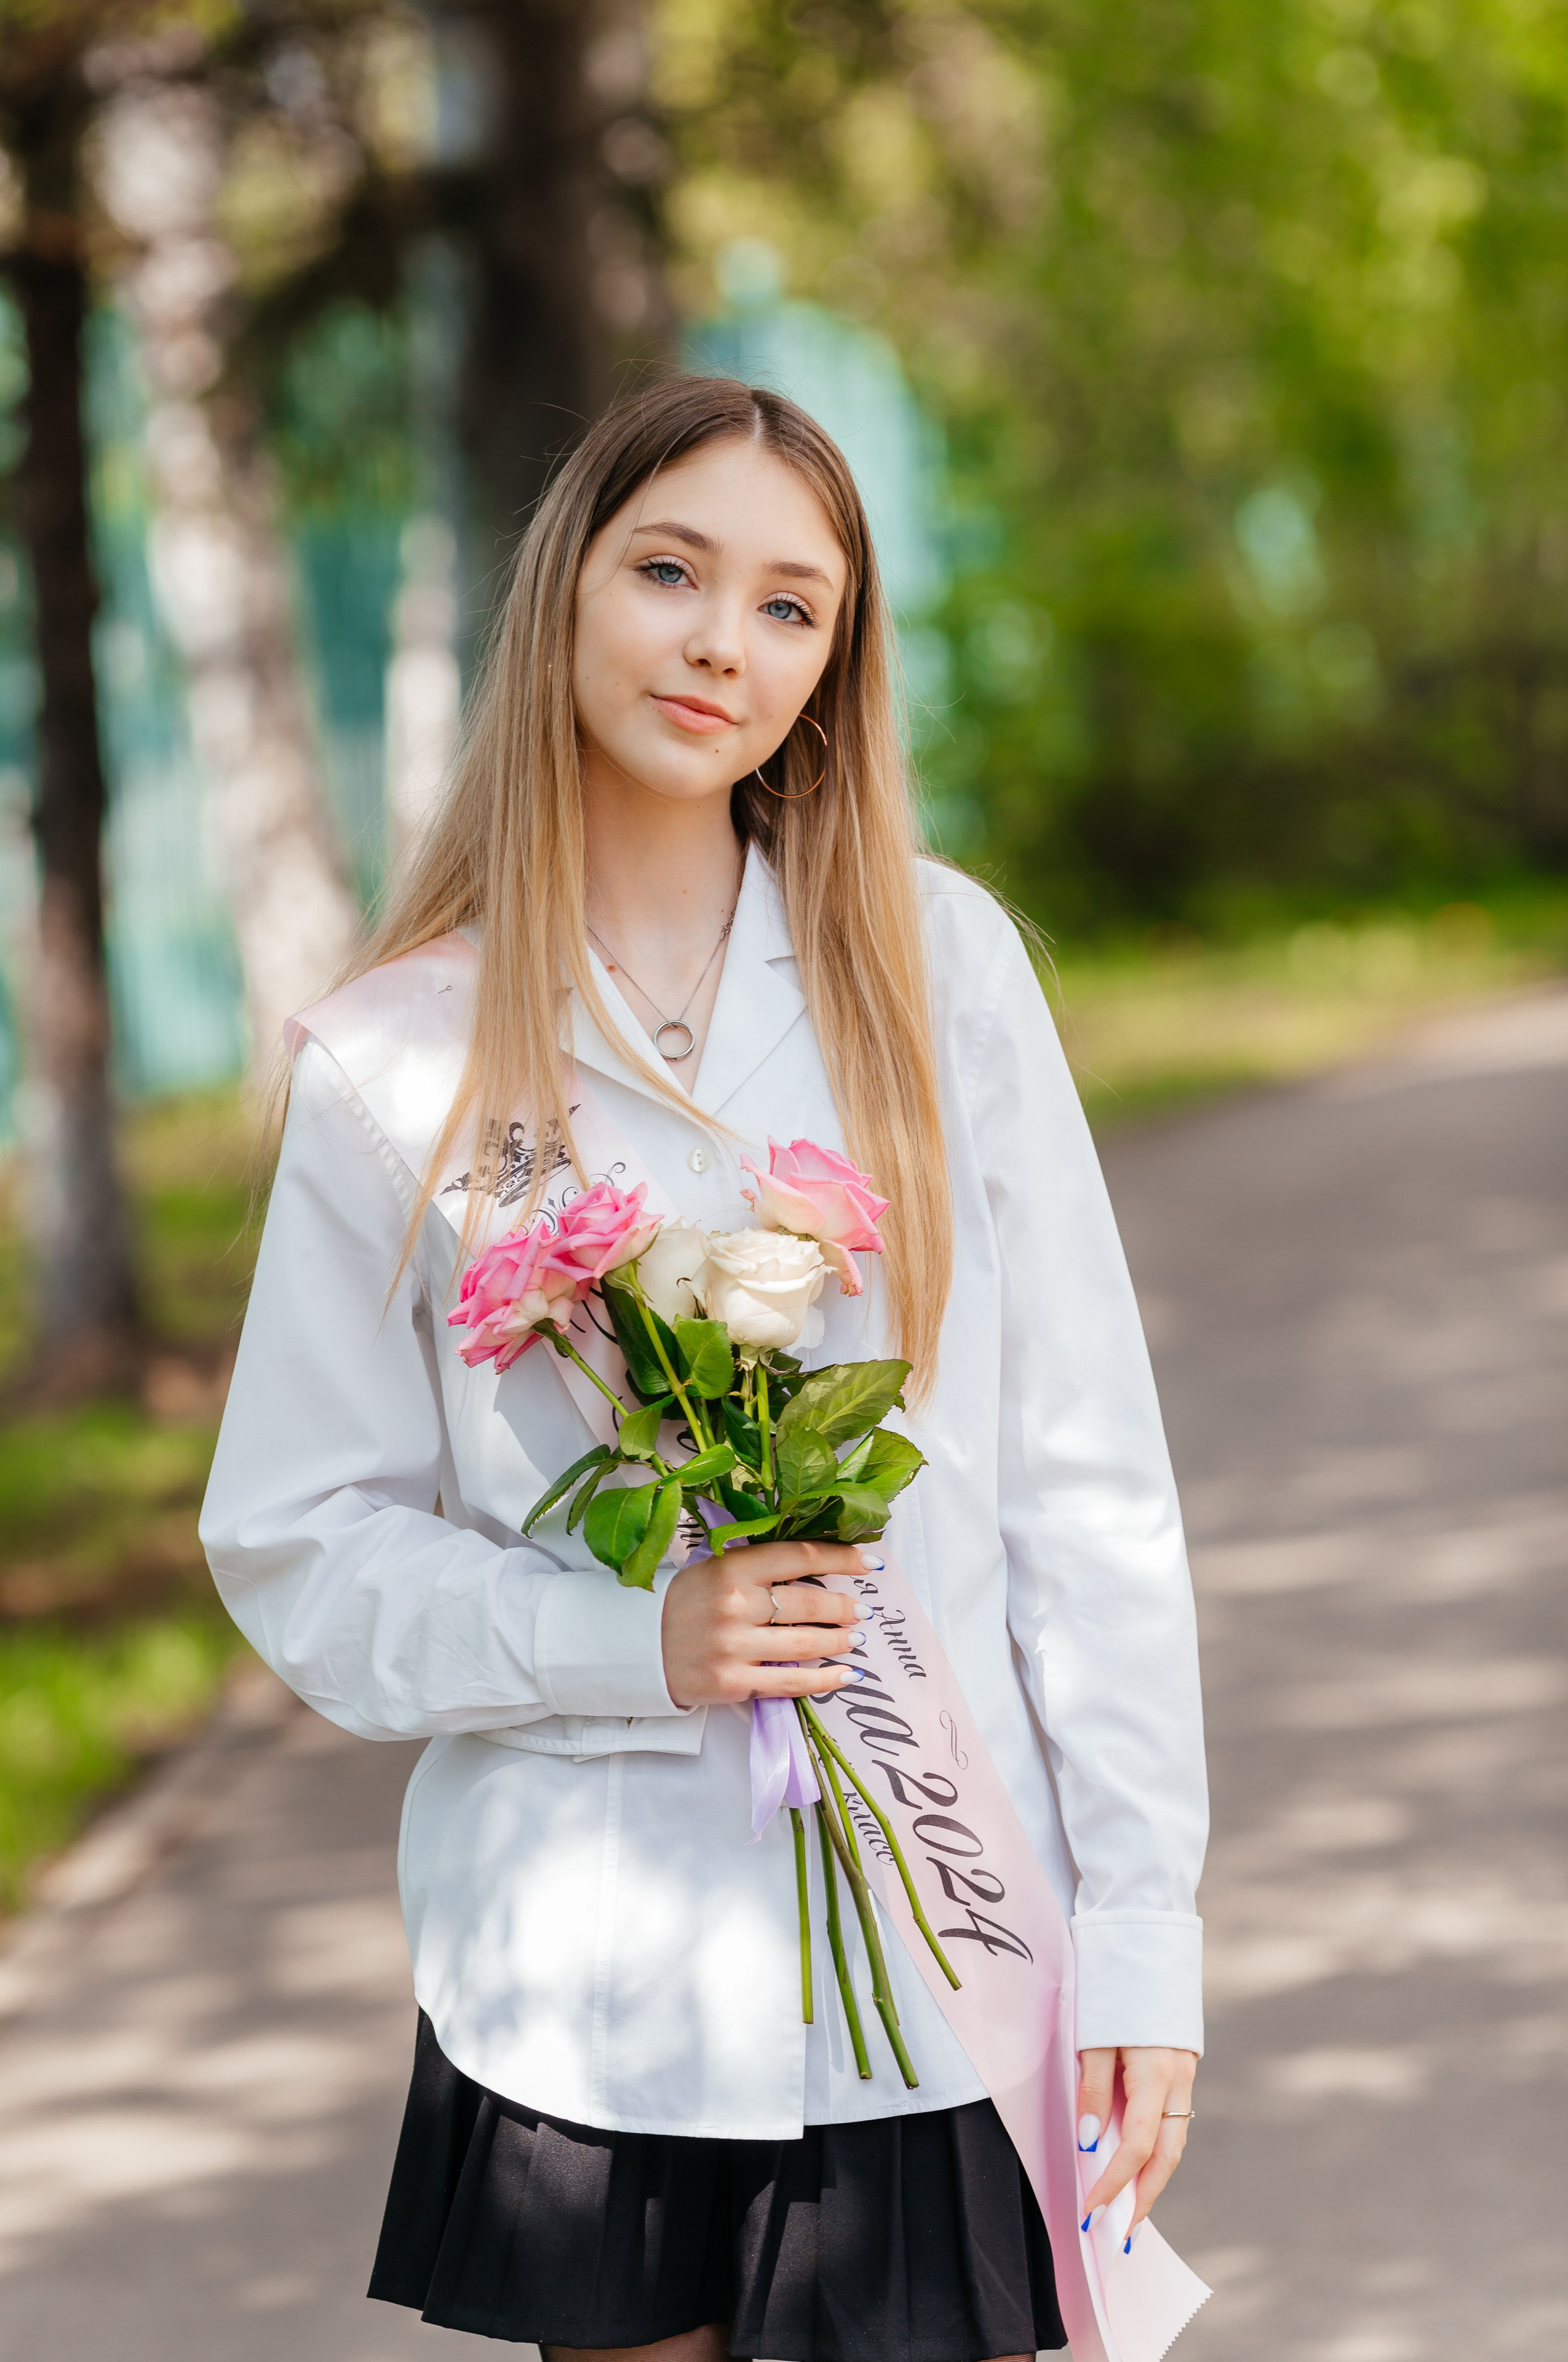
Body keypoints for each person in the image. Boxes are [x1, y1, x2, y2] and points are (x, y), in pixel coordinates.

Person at [201, 375, 1207, 2362]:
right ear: (565, 590)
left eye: (788, 605)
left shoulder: (943, 975)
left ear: (834, 666)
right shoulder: (402, 1061)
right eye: (670, 569)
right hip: (591, 1982)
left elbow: (1089, 1482)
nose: (719, 642)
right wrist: (634, 1644)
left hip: (935, 1962)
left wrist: (1146, 1940)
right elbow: (300, 1540)